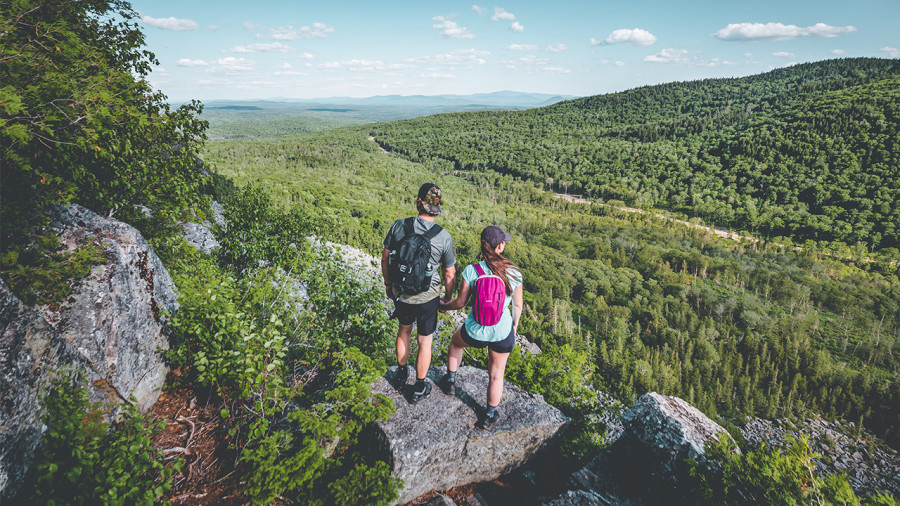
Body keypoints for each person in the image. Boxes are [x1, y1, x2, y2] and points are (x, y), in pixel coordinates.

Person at [439, 225, 523, 429]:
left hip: (475, 330)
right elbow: (518, 305)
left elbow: (460, 302)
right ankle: (489, 415)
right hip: (502, 333)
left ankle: (450, 381)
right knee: (496, 375)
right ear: (500, 246)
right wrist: (514, 327)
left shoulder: (472, 270)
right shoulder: (513, 272)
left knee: (455, 343)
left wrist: (444, 306)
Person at [382, 183, 457, 403]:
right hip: (428, 296)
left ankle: (401, 372)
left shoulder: (399, 226)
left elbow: (385, 258)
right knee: (425, 341)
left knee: (404, 331)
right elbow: (449, 272)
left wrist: (389, 284)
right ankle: (420, 386)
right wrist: (447, 298)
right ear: (437, 206)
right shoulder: (443, 236)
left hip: (402, 292)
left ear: (418, 202)